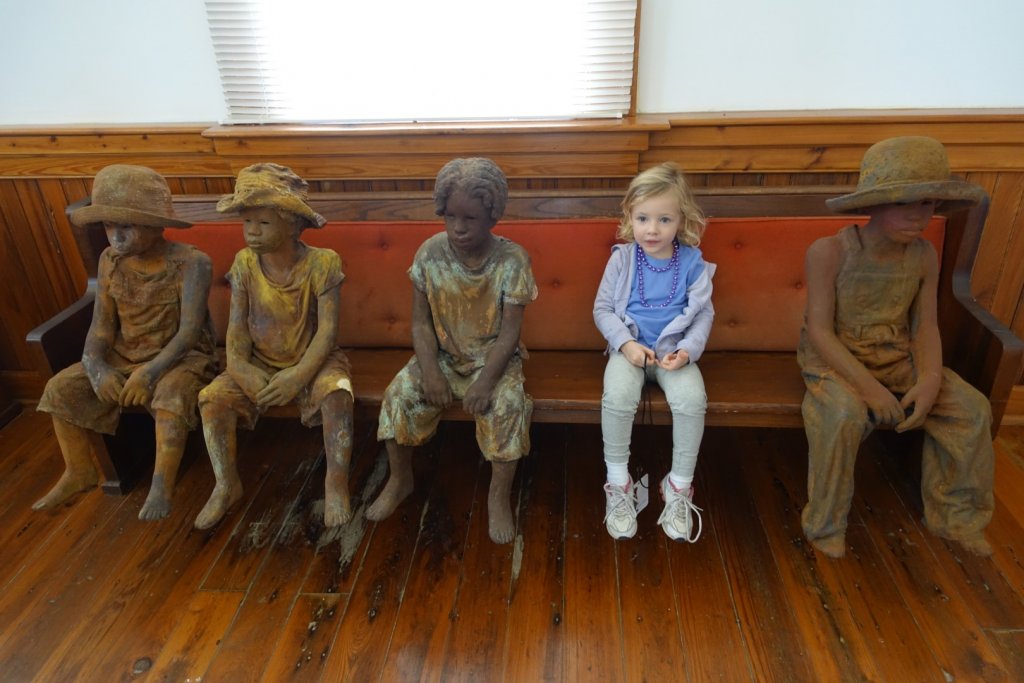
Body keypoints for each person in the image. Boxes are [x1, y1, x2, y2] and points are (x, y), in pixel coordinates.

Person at [800, 135, 995, 558]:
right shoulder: (830, 252)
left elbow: (926, 327)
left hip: (898, 357)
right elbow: (819, 332)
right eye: (904, 201)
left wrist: (928, 381)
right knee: (843, 417)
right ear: (873, 203)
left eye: (927, 203)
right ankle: (825, 524)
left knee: (971, 409)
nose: (917, 215)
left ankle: (956, 516)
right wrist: (869, 390)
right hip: (836, 362)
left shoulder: (923, 256)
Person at [369, 157, 538, 544]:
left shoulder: (512, 260)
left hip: (494, 361)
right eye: (450, 217)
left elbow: (510, 334)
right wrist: (429, 371)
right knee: (398, 397)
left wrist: (486, 383)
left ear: (493, 216)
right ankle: (400, 479)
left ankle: (498, 497)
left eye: (471, 219)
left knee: (508, 407)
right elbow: (419, 323)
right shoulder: (429, 254)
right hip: (442, 357)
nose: (458, 228)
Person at [35, 164, 216, 520]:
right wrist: (96, 366)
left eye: (127, 226)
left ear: (154, 225)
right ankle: (79, 470)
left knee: (171, 396)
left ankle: (162, 483)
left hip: (181, 358)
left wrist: (148, 374)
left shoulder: (191, 262)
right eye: (108, 226)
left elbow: (189, 333)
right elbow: (101, 327)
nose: (116, 237)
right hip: (123, 355)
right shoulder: (109, 261)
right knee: (61, 388)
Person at [194, 163, 355, 530]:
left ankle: (336, 482)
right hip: (258, 363)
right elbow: (237, 329)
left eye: (263, 223)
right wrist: (240, 369)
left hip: (314, 361)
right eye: (247, 222)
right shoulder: (245, 263)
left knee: (337, 396)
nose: (252, 231)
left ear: (293, 224)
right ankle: (225, 484)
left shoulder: (322, 262)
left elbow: (328, 332)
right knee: (211, 400)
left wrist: (299, 375)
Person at [593, 162, 715, 541]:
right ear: (629, 215)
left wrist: (687, 351)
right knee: (617, 398)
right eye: (643, 218)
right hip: (629, 351)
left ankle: (678, 486)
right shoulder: (623, 259)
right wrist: (626, 344)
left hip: (672, 355)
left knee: (693, 401)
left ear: (683, 219)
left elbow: (703, 316)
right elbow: (602, 309)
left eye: (664, 219)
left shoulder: (693, 263)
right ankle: (618, 483)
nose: (652, 229)